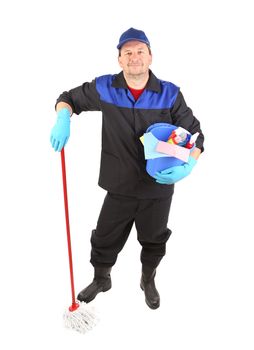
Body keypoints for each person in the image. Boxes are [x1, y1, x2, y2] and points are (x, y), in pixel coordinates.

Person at [50, 28, 204, 309]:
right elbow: (68, 98)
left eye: (140, 52)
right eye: (128, 53)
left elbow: (195, 134)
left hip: (157, 185)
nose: (134, 58)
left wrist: (190, 164)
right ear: (119, 59)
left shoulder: (169, 94)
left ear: (150, 56)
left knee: (154, 240)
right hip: (118, 183)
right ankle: (102, 279)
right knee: (104, 237)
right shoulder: (105, 87)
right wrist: (63, 117)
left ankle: (148, 279)